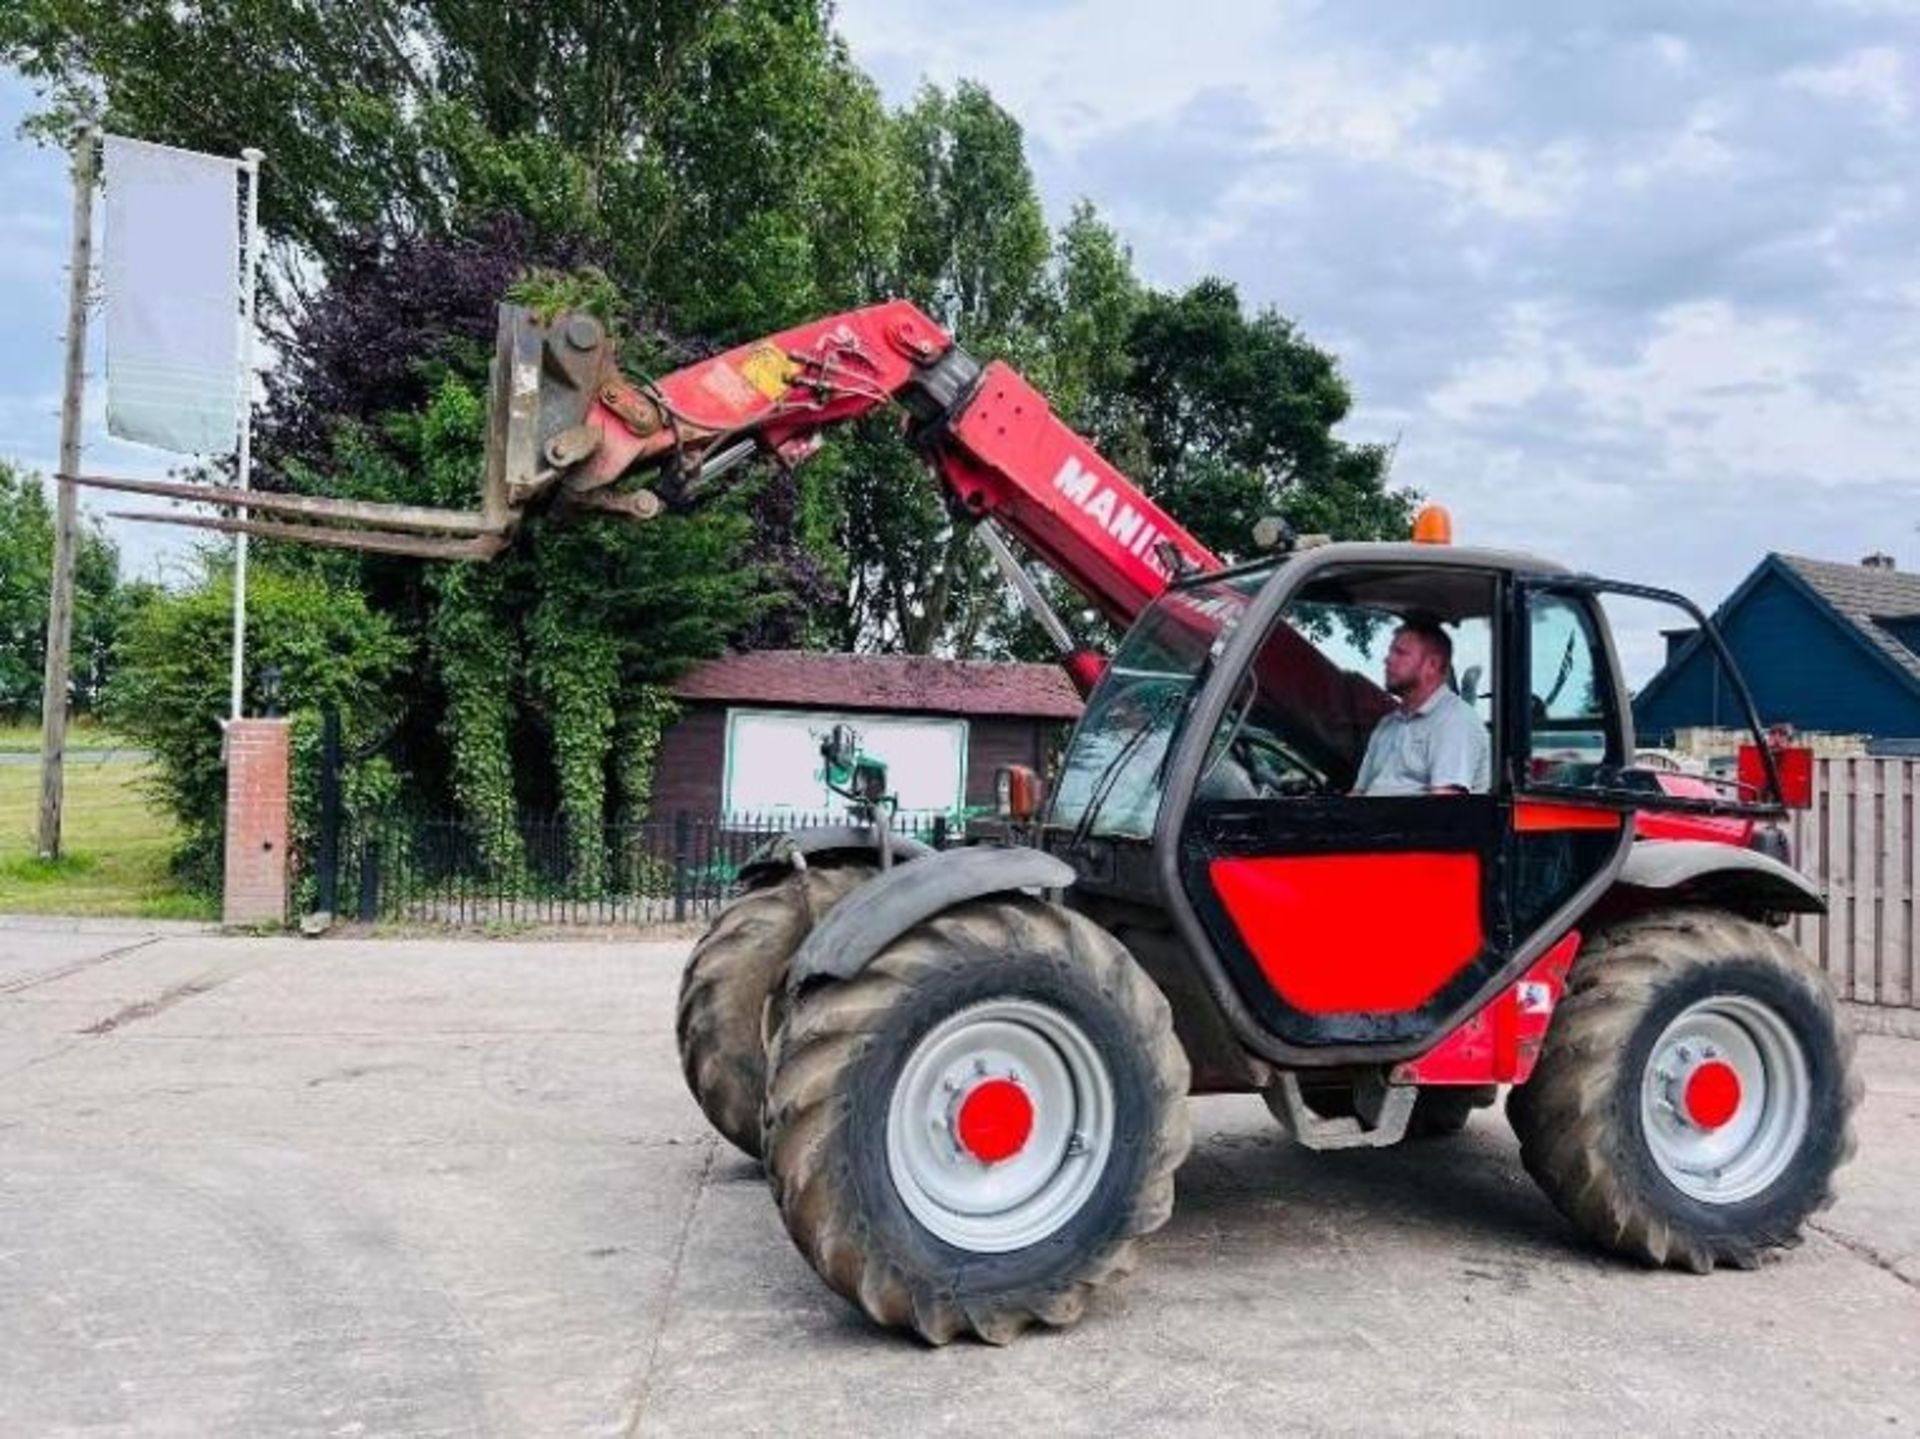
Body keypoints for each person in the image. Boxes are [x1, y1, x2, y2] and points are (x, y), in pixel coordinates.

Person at [1352, 617, 1491, 796]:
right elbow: (1358, 793)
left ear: (1432, 665)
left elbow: (1444, 811)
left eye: (1400, 653)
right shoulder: (1388, 724)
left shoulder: (1454, 721)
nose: (1387, 659)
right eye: (1390, 652)